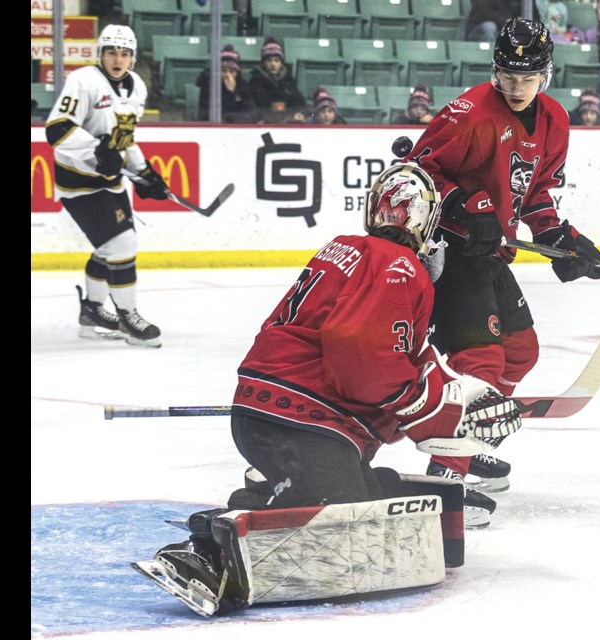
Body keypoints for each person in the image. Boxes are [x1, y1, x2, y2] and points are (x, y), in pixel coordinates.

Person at [133, 163, 522, 615]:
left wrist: (445, 402)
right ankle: (206, 549)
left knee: (362, 500)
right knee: (338, 512)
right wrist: (430, 408)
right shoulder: (400, 266)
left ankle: (272, 487)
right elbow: (361, 358)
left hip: (275, 413)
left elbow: (387, 360)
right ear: (425, 221)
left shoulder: (344, 249)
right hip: (303, 423)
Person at [404, 18, 600, 520]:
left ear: (547, 74)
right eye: (508, 75)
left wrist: (557, 236)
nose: (517, 87)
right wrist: (463, 206)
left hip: (491, 254)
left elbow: (534, 192)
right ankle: (445, 475)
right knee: (482, 362)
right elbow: (417, 169)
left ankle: (469, 442)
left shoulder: (556, 120)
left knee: (520, 352)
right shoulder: (468, 112)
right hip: (447, 250)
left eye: (528, 76)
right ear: (495, 72)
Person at [45, 24, 166, 348]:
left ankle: (93, 312)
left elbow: (125, 140)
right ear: (101, 54)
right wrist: (97, 149)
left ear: (132, 57)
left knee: (110, 248)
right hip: (79, 182)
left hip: (109, 182)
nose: (118, 58)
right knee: (123, 246)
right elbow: (57, 130)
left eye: (125, 53)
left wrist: (145, 172)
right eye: (111, 51)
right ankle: (129, 317)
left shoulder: (136, 86)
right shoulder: (83, 81)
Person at [248, 36, 307, 124]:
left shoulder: (289, 81)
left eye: (276, 60)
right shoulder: (254, 82)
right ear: (263, 63)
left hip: (287, 124)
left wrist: (298, 114)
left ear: (281, 63)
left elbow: (300, 104)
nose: (273, 64)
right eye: (269, 61)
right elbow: (252, 108)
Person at [195, 44, 257, 123]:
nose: (228, 75)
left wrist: (233, 92)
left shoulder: (242, 85)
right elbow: (206, 113)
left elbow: (250, 112)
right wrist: (229, 93)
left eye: (232, 71)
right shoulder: (208, 84)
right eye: (224, 71)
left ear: (237, 73)